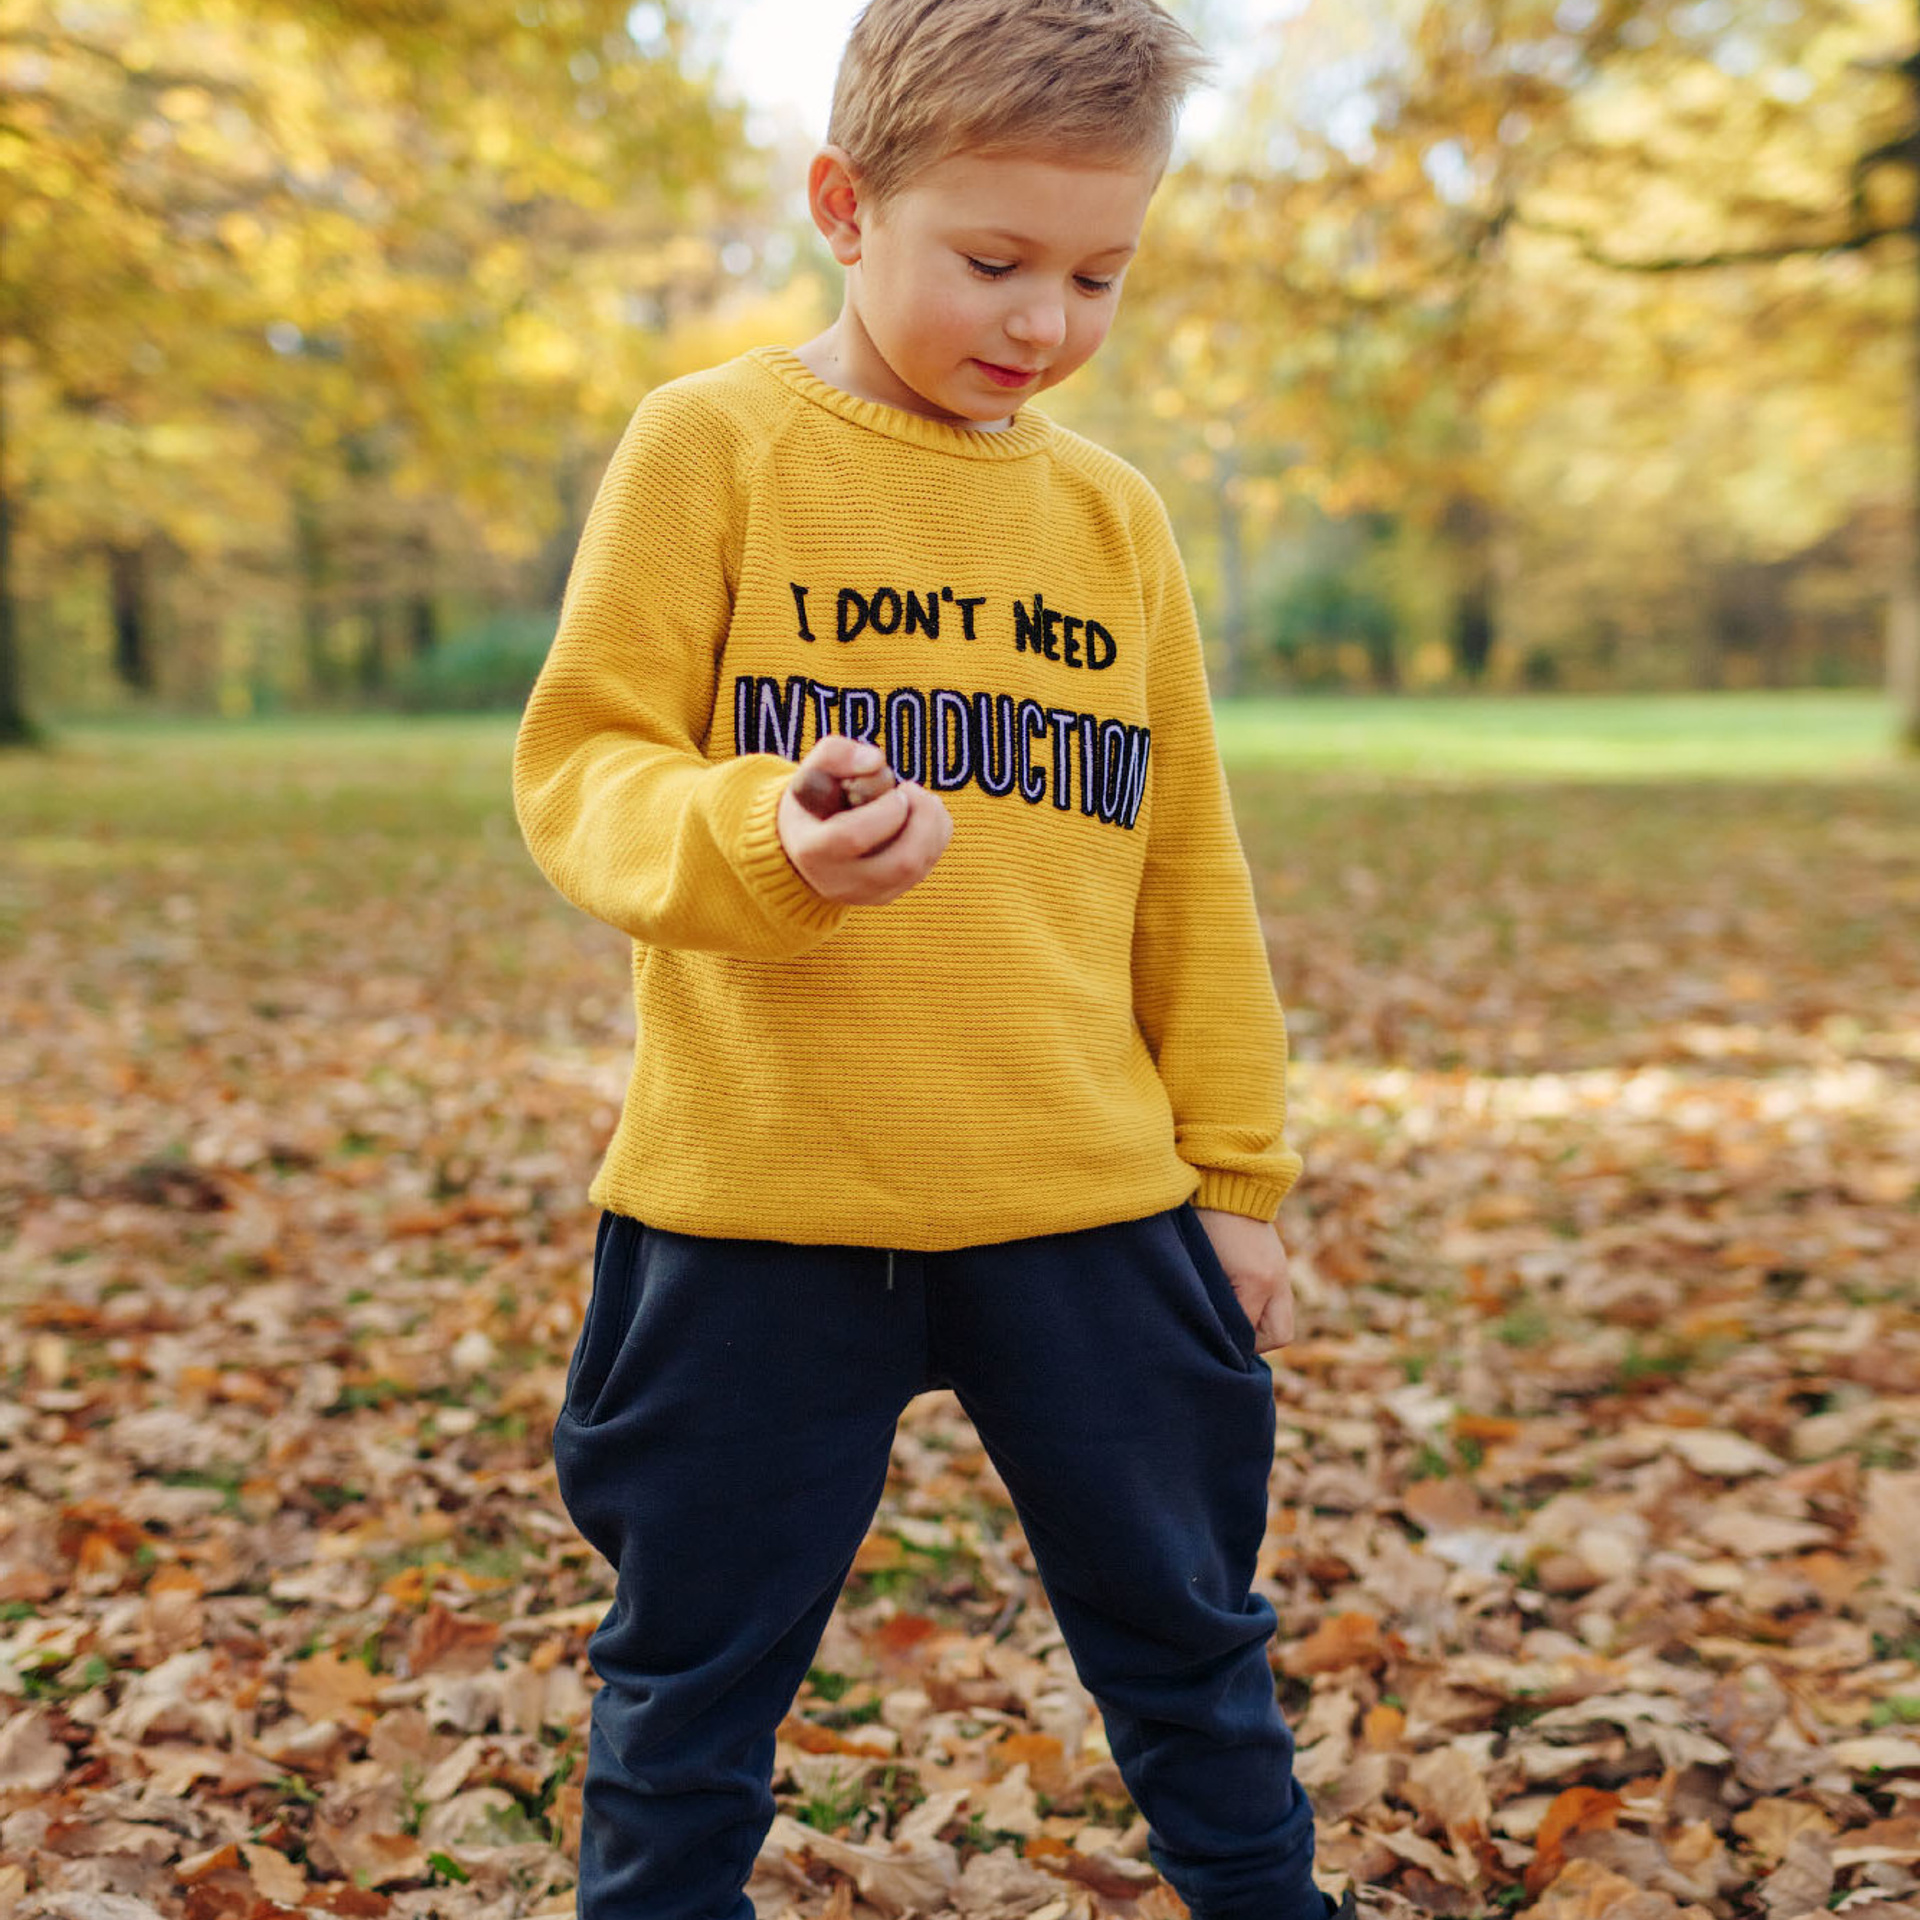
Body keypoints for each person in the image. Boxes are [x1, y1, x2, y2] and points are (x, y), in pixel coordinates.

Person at [511, 2, 1351, 1915]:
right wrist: (762, 835)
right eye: (992, 261)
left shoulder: (1110, 518)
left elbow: (1185, 869)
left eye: (1097, 275)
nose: (1043, 320)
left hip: (1082, 1199)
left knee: (1193, 1655)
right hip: (758, 1201)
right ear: (842, 202)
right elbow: (583, 771)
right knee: (687, 1681)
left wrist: (1233, 1177)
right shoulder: (710, 446)